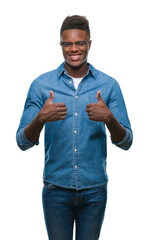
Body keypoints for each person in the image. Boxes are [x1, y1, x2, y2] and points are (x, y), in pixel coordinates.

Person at [16, 15, 133, 240]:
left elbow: (126, 141)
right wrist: (40, 119)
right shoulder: (41, 85)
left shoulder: (108, 85)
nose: (74, 49)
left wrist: (109, 119)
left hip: (94, 190)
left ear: (89, 44)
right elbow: (22, 141)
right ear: (61, 45)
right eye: (67, 43)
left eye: (80, 42)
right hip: (55, 190)